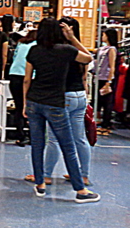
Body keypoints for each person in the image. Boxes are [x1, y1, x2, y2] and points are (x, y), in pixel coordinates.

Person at [23, 17, 99, 203]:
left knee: (38, 144)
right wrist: (72, 38)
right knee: (68, 147)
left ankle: (40, 184)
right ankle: (80, 190)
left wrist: (25, 103)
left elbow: (27, 79)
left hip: (34, 101)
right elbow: (88, 58)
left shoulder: (34, 50)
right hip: (55, 103)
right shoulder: (66, 50)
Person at [42, 17, 92, 186]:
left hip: (62, 98)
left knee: (54, 139)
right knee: (80, 138)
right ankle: (83, 175)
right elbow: (88, 61)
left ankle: (46, 174)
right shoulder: (76, 49)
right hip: (79, 96)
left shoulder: (60, 49)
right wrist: (73, 38)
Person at [9, 29, 37, 146]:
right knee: (31, 108)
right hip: (30, 77)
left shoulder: (20, 43)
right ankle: (32, 136)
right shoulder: (37, 46)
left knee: (19, 106)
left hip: (14, 75)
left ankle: (20, 136)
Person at [95, 28, 118, 135]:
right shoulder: (102, 48)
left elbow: (112, 66)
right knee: (98, 101)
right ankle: (100, 122)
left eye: (104, 35)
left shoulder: (112, 49)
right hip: (99, 77)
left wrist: (109, 81)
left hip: (106, 78)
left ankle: (106, 124)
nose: (102, 36)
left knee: (107, 102)